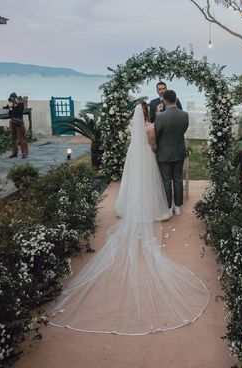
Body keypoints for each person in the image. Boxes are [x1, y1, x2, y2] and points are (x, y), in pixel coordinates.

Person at [49, 104, 209, 335]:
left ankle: (130, 204)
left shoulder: (131, 128)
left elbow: (132, 141)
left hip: (133, 155)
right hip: (145, 155)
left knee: (133, 182)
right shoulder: (150, 126)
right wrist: (152, 148)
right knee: (150, 181)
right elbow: (153, 145)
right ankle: (155, 205)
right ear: (145, 114)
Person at [155, 90, 188, 216]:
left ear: (165, 100)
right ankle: (178, 206)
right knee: (178, 179)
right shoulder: (185, 115)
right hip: (179, 151)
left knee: (166, 180)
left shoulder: (160, 116)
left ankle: (168, 206)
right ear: (176, 99)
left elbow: (157, 135)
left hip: (164, 152)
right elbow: (182, 131)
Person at [6, 92, 28, 159]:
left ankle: (24, 153)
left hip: (19, 123)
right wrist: (10, 107)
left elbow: (19, 113)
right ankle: (14, 153)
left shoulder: (20, 104)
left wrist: (14, 107)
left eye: (13, 99)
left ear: (16, 98)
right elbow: (10, 114)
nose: (12, 100)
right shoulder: (12, 105)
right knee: (13, 139)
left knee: (22, 138)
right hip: (13, 122)